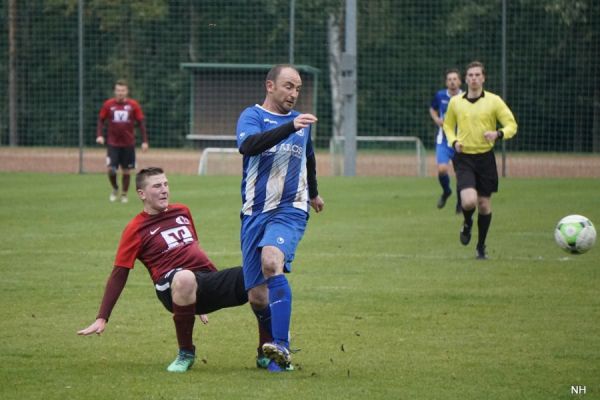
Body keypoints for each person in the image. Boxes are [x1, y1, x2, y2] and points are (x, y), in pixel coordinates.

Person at [77, 167, 249, 373]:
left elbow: (194, 251)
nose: (164, 190)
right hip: (169, 285)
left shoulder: (182, 211)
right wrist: (102, 316)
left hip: (200, 280)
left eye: (166, 184)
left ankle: (269, 351)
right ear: (142, 194)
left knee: (255, 274)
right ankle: (185, 353)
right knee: (185, 277)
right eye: (157, 186)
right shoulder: (135, 229)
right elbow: (119, 273)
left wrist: (211, 281)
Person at [235, 64, 325, 372]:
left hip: (290, 208)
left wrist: (313, 193)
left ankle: (282, 347)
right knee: (257, 297)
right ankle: (273, 346)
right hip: (254, 212)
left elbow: (309, 158)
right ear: (270, 85)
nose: (294, 93)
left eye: (298, 88)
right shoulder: (253, 117)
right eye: (288, 86)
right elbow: (248, 146)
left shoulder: (301, 124)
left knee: (272, 262)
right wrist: (291, 127)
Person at [443, 61, 518, 259]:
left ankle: (481, 246)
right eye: (471, 75)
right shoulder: (456, 102)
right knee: (469, 202)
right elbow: (448, 126)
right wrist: (453, 141)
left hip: (485, 158)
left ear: (483, 78)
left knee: (484, 204)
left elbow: (511, 124)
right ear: (466, 79)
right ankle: (467, 224)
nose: (474, 78)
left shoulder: (494, 101)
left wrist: (498, 134)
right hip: (464, 158)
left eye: (478, 75)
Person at [96, 80, 149, 203]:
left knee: (126, 170)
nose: (120, 93)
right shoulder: (108, 105)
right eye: (118, 90)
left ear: (127, 91)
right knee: (111, 169)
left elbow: (141, 123)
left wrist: (144, 141)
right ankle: (115, 188)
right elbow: (100, 120)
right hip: (112, 143)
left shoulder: (133, 105)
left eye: (123, 90)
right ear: (115, 91)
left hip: (128, 144)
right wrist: (99, 135)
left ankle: (124, 194)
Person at [429, 68, 463, 212]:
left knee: (461, 174)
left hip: (461, 141)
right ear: (446, 82)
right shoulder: (440, 95)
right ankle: (447, 191)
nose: (452, 82)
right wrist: (437, 119)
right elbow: (432, 108)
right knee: (442, 169)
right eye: (449, 79)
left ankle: (461, 203)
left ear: (460, 81)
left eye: (455, 79)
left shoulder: (466, 97)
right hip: (444, 141)